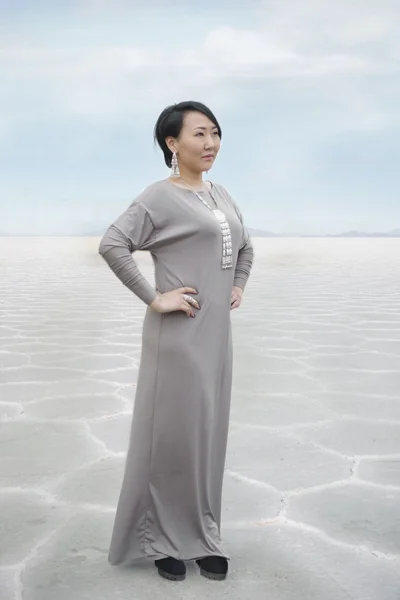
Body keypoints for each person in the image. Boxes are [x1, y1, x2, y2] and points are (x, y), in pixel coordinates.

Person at [98, 100, 253, 582]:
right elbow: (112, 244)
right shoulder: (158, 198)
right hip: (178, 338)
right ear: (172, 143)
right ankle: (161, 538)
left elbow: (245, 246)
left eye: (215, 133)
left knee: (207, 436)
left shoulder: (221, 194)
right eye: (199, 135)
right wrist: (154, 297)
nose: (211, 144)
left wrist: (237, 283)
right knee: (171, 439)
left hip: (215, 337)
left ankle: (203, 535)